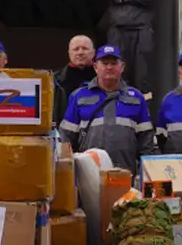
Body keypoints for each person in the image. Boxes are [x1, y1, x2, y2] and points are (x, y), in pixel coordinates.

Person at [58, 44, 157, 172]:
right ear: (95, 67)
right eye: (104, 63)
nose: (109, 67)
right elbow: (66, 139)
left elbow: (146, 142)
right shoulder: (79, 96)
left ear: (122, 67)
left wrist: (149, 173)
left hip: (126, 175)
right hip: (89, 176)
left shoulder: (137, 98)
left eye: (114, 63)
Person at [53, 35, 95, 126]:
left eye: (85, 48)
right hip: (65, 132)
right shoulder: (55, 80)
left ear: (93, 53)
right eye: (76, 49)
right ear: (69, 53)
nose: (80, 52)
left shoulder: (105, 78)